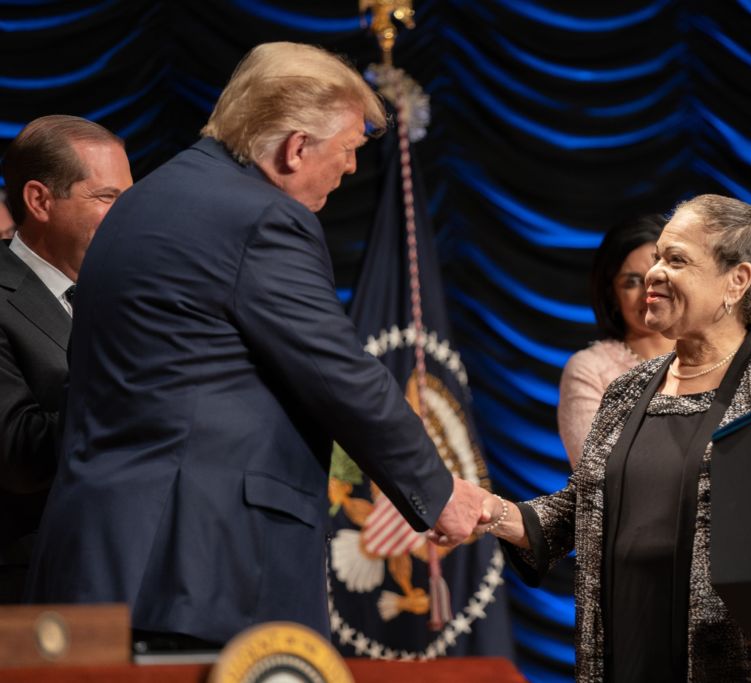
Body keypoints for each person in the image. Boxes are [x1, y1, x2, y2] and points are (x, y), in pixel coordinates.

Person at [25, 42, 488, 646]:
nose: (350, 170)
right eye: (347, 150)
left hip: (96, 560)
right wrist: (439, 490)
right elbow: (338, 373)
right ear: (296, 146)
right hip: (197, 570)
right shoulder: (260, 218)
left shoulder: (143, 203)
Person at [477, 195, 751, 682]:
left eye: (676, 259)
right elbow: (581, 507)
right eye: (659, 256)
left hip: (728, 659)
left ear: (737, 281)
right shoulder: (626, 390)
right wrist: (494, 512)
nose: (655, 273)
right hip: (622, 647)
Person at [0, 115, 132, 603]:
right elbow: (18, 456)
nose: (127, 215)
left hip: (131, 577)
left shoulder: (127, 293)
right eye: (107, 198)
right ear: (39, 201)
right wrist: (135, 377)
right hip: (34, 593)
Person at [558, 215, 675, 467]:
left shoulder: (712, 353)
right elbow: (597, 472)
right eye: (632, 282)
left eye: (659, 277)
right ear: (612, 295)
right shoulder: (590, 369)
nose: (649, 292)